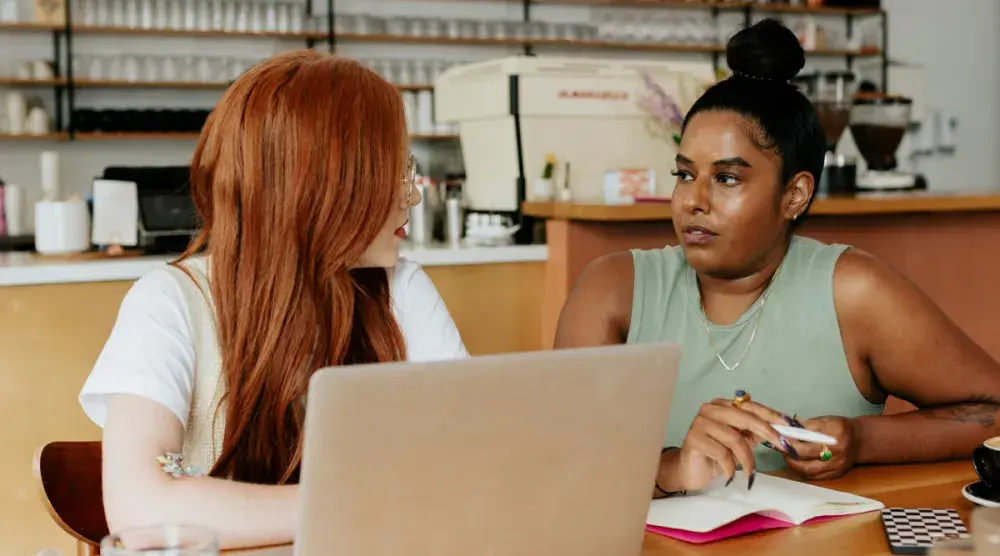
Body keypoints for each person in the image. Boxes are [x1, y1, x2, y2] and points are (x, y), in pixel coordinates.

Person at [555, 20, 1000, 496]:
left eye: (726, 178)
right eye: (684, 175)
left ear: (795, 195)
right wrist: (669, 469)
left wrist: (861, 439)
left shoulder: (851, 291)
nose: (693, 201)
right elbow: (556, 454)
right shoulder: (614, 292)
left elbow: (992, 409)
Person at [78, 51, 468, 548]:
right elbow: (141, 511)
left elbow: (465, 462)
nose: (409, 197)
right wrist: (361, 499)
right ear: (318, 187)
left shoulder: (400, 288)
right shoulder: (169, 302)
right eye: (388, 172)